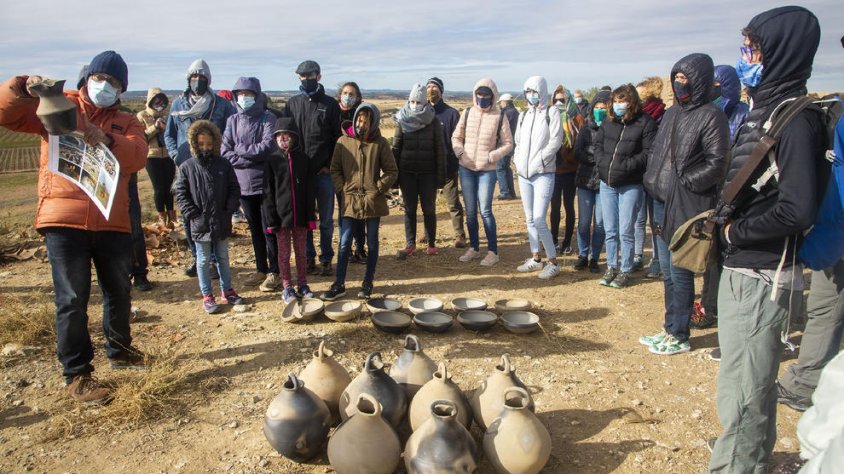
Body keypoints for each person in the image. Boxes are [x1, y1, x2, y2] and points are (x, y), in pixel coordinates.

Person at [707, 6, 824, 473]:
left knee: (741, 393)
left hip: (761, 277)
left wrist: (738, 230)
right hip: (746, 272)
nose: (745, 56)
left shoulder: (795, 121)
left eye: (753, 48)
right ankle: (749, 460)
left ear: (780, 51)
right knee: (747, 387)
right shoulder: (770, 111)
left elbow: (798, 208)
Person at [0, 51, 152, 404]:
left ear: (122, 90)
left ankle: (120, 349)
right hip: (63, 219)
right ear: (87, 78)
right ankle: (77, 374)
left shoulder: (126, 122)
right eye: (102, 79)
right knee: (71, 298)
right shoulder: (59, 105)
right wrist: (21, 86)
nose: (107, 87)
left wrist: (107, 139)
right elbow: (7, 114)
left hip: (112, 220)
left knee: (119, 290)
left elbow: (137, 157)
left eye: (115, 84)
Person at [639, 53, 729, 356]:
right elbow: (658, 152)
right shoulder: (674, 113)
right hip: (660, 202)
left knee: (680, 271)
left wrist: (685, 183)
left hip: (687, 204)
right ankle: (669, 327)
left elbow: (718, 164)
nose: (680, 85)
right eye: (675, 79)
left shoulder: (711, 115)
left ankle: (680, 333)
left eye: (685, 79)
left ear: (699, 80)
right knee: (666, 270)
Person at [694, 65, 752, 332]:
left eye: (717, 84)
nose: (712, 89)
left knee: (726, 250)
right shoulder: (707, 113)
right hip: (711, 191)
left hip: (733, 190)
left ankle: (717, 307)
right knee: (711, 252)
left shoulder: (742, 115)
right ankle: (709, 303)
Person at [165, 59, 236, 277]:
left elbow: (229, 132)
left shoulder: (220, 105)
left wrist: (222, 158)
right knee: (190, 213)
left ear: (208, 80)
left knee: (214, 211)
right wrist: (176, 155)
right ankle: (197, 258)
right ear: (188, 80)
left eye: (202, 78)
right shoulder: (178, 105)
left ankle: (213, 259)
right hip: (186, 167)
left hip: (214, 167)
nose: (197, 81)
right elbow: (169, 134)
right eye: (194, 77)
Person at [321, 103, 398, 300]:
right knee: (345, 243)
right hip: (349, 200)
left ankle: (367, 283)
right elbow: (335, 168)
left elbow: (392, 171)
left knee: (372, 244)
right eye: (359, 120)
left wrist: (377, 189)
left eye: (366, 122)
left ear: (373, 124)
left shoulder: (380, 143)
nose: (361, 125)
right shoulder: (343, 141)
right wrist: (342, 188)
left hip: (372, 201)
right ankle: (339, 284)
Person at [174, 120, 244, 314]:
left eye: (209, 144)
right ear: (194, 144)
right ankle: (207, 295)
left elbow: (234, 188)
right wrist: (193, 215)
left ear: (215, 143)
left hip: (221, 219)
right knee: (203, 260)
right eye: (201, 144)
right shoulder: (187, 167)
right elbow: (181, 194)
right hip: (200, 222)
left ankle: (227, 290)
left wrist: (229, 209)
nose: (205, 147)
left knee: (223, 256)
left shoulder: (223, 164)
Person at [282, 60, 342, 276]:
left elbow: (337, 139)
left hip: (323, 174)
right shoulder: (292, 104)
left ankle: (326, 258)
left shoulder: (330, 104)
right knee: (305, 220)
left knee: (326, 221)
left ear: (319, 76)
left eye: (310, 75)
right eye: (302, 75)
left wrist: (328, 165)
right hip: (299, 174)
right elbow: (285, 137)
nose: (306, 78)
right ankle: (308, 258)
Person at [221, 77, 280, 292]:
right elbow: (225, 151)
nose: (244, 98)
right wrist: (247, 156)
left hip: (264, 182)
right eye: (240, 94)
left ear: (257, 95)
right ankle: (261, 269)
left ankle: (275, 271)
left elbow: (266, 146)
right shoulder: (232, 121)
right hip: (242, 185)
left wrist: (240, 151)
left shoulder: (268, 118)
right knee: (254, 229)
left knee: (269, 228)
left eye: (249, 94)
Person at [595, 84, 656, 289]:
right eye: (616, 101)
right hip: (608, 183)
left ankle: (626, 269)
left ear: (632, 102)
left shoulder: (645, 122)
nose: (619, 105)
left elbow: (648, 153)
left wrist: (627, 165)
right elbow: (598, 146)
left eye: (623, 101)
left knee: (626, 230)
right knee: (610, 229)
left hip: (630, 184)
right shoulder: (608, 122)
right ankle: (611, 266)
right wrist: (602, 164)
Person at [451, 79, 514, 267]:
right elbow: (456, 136)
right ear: (475, 94)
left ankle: (493, 251)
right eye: (479, 94)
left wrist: (492, 156)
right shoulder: (468, 112)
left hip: (487, 170)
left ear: (493, 96)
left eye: (486, 95)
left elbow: (508, 143)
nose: (482, 98)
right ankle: (474, 248)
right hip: (466, 168)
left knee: (485, 210)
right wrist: (459, 152)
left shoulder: (500, 116)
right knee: (470, 211)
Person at [512, 76, 564, 279]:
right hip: (524, 174)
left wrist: (540, 160)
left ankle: (553, 261)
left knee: (540, 218)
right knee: (530, 218)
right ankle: (535, 258)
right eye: (528, 92)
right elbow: (518, 142)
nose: (531, 96)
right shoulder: (524, 116)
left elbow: (555, 141)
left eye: (534, 92)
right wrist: (517, 160)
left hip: (543, 173)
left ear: (542, 92)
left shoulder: (552, 113)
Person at [263, 117, 316, 304]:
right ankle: (287, 286)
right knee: (283, 254)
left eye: (287, 136)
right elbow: (267, 193)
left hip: (301, 217)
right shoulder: (271, 161)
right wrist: (271, 220)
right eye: (279, 136)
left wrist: (311, 216)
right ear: (275, 138)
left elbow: (310, 191)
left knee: (301, 252)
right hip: (280, 218)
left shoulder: (304, 160)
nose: (283, 139)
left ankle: (303, 284)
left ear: (294, 137)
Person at [393, 83, 445, 258]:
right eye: (412, 101)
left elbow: (440, 150)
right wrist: (394, 177)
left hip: (427, 174)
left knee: (429, 209)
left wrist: (440, 177)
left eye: (418, 101)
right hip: (407, 173)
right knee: (409, 210)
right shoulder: (401, 119)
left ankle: (431, 243)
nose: (415, 104)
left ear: (425, 102)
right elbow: (396, 148)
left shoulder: (433, 120)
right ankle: (410, 244)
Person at [426, 77, 467, 248]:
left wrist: (456, 159)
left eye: (435, 87)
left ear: (441, 91)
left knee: (453, 203)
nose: (431, 90)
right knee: (428, 204)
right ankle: (428, 234)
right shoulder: (422, 112)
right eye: (428, 87)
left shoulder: (451, 114)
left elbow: (458, 139)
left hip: (448, 166)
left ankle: (459, 235)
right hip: (427, 166)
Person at [573, 89, 611, 273]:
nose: (599, 110)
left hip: (604, 182)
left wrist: (597, 157)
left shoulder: (612, 129)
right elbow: (578, 152)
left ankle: (594, 257)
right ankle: (582, 255)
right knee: (584, 222)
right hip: (585, 181)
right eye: (597, 107)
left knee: (600, 223)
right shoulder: (585, 129)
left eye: (603, 108)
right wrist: (597, 157)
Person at [549, 84, 585, 255]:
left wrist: (569, 157)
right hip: (553, 170)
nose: (558, 103)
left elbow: (580, 144)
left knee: (569, 206)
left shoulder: (576, 118)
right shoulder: (549, 117)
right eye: (555, 100)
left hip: (570, 170)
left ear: (568, 100)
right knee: (554, 206)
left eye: (562, 100)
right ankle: (553, 240)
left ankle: (567, 242)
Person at [636, 77, 667, 277]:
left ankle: (657, 260)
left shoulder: (661, 117)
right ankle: (638, 256)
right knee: (639, 219)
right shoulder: (635, 118)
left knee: (656, 222)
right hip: (637, 175)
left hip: (655, 177)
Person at [336, 81, 367, 263]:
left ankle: (360, 247)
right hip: (339, 168)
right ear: (340, 94)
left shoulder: (361, 113)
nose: (348, 96)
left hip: (358, 169)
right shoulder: (334, 112)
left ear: (357, 97)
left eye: (352, 94)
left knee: (360, 212)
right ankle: (345, 248)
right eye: (345, 92)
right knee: (344, 211)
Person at [137, 88, 175, 229]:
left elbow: (172, 134)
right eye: (156, 101)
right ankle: (161, 217)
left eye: (162, 101)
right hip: (152, 156)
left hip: (168, 155)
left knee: (169, 187)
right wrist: (155, 127)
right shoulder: (142, 116)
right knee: (159, 188)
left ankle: (172, 217)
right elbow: (141, 137)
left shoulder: (168, 115)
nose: (159, 103)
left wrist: (167, 129)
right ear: (150, 101)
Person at [496, 93, 519, 200]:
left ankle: (505, 192)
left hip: (504, 144)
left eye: (500, 102)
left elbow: (500, 129)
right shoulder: (516, 112)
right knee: (506, 168)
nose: (500, 104)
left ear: (504, 102)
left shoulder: (506, 114)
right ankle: (511, 192)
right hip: (512, 144)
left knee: (500, 168)